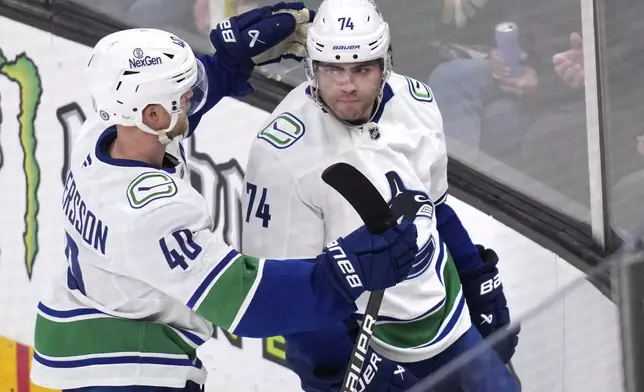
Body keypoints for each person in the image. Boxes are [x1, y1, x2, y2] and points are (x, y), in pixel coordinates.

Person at [29, 4, 420, 391]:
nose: (192, 97)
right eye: (183, 94)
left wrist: (227, 64)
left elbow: (170, 120)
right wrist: (351, 268)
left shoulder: (104, 133)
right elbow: (247, 301)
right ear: (152, 115)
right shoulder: (151, 215)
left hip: (88, 333)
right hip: (128, 370)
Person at [242, 0, 519, 391]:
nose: (347, 85)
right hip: (362, 342)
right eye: (332, 69)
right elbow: (285, 289)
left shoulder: (417, 103)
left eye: (362, 69)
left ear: (385, 64)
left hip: (445, 320)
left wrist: (477, 279)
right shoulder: (282, 153)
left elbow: (436, 210)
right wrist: (337, 368)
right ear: (311, 68)